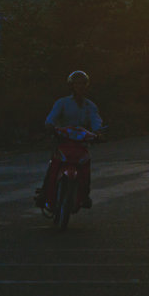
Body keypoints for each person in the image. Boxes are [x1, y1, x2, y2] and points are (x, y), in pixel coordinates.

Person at [34, 70, 104, 209]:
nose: (80, 87)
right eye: (77, 84)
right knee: (53, 166)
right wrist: (49, 126)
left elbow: (96, 121)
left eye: (82, 84)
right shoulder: (62, 103)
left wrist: (98, 133)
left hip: (81, 143)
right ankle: (45, 193)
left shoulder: (90, 106)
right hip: (62, 141)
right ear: (71, 86)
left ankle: (84, 195)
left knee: (85, 168)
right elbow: (51, 118)